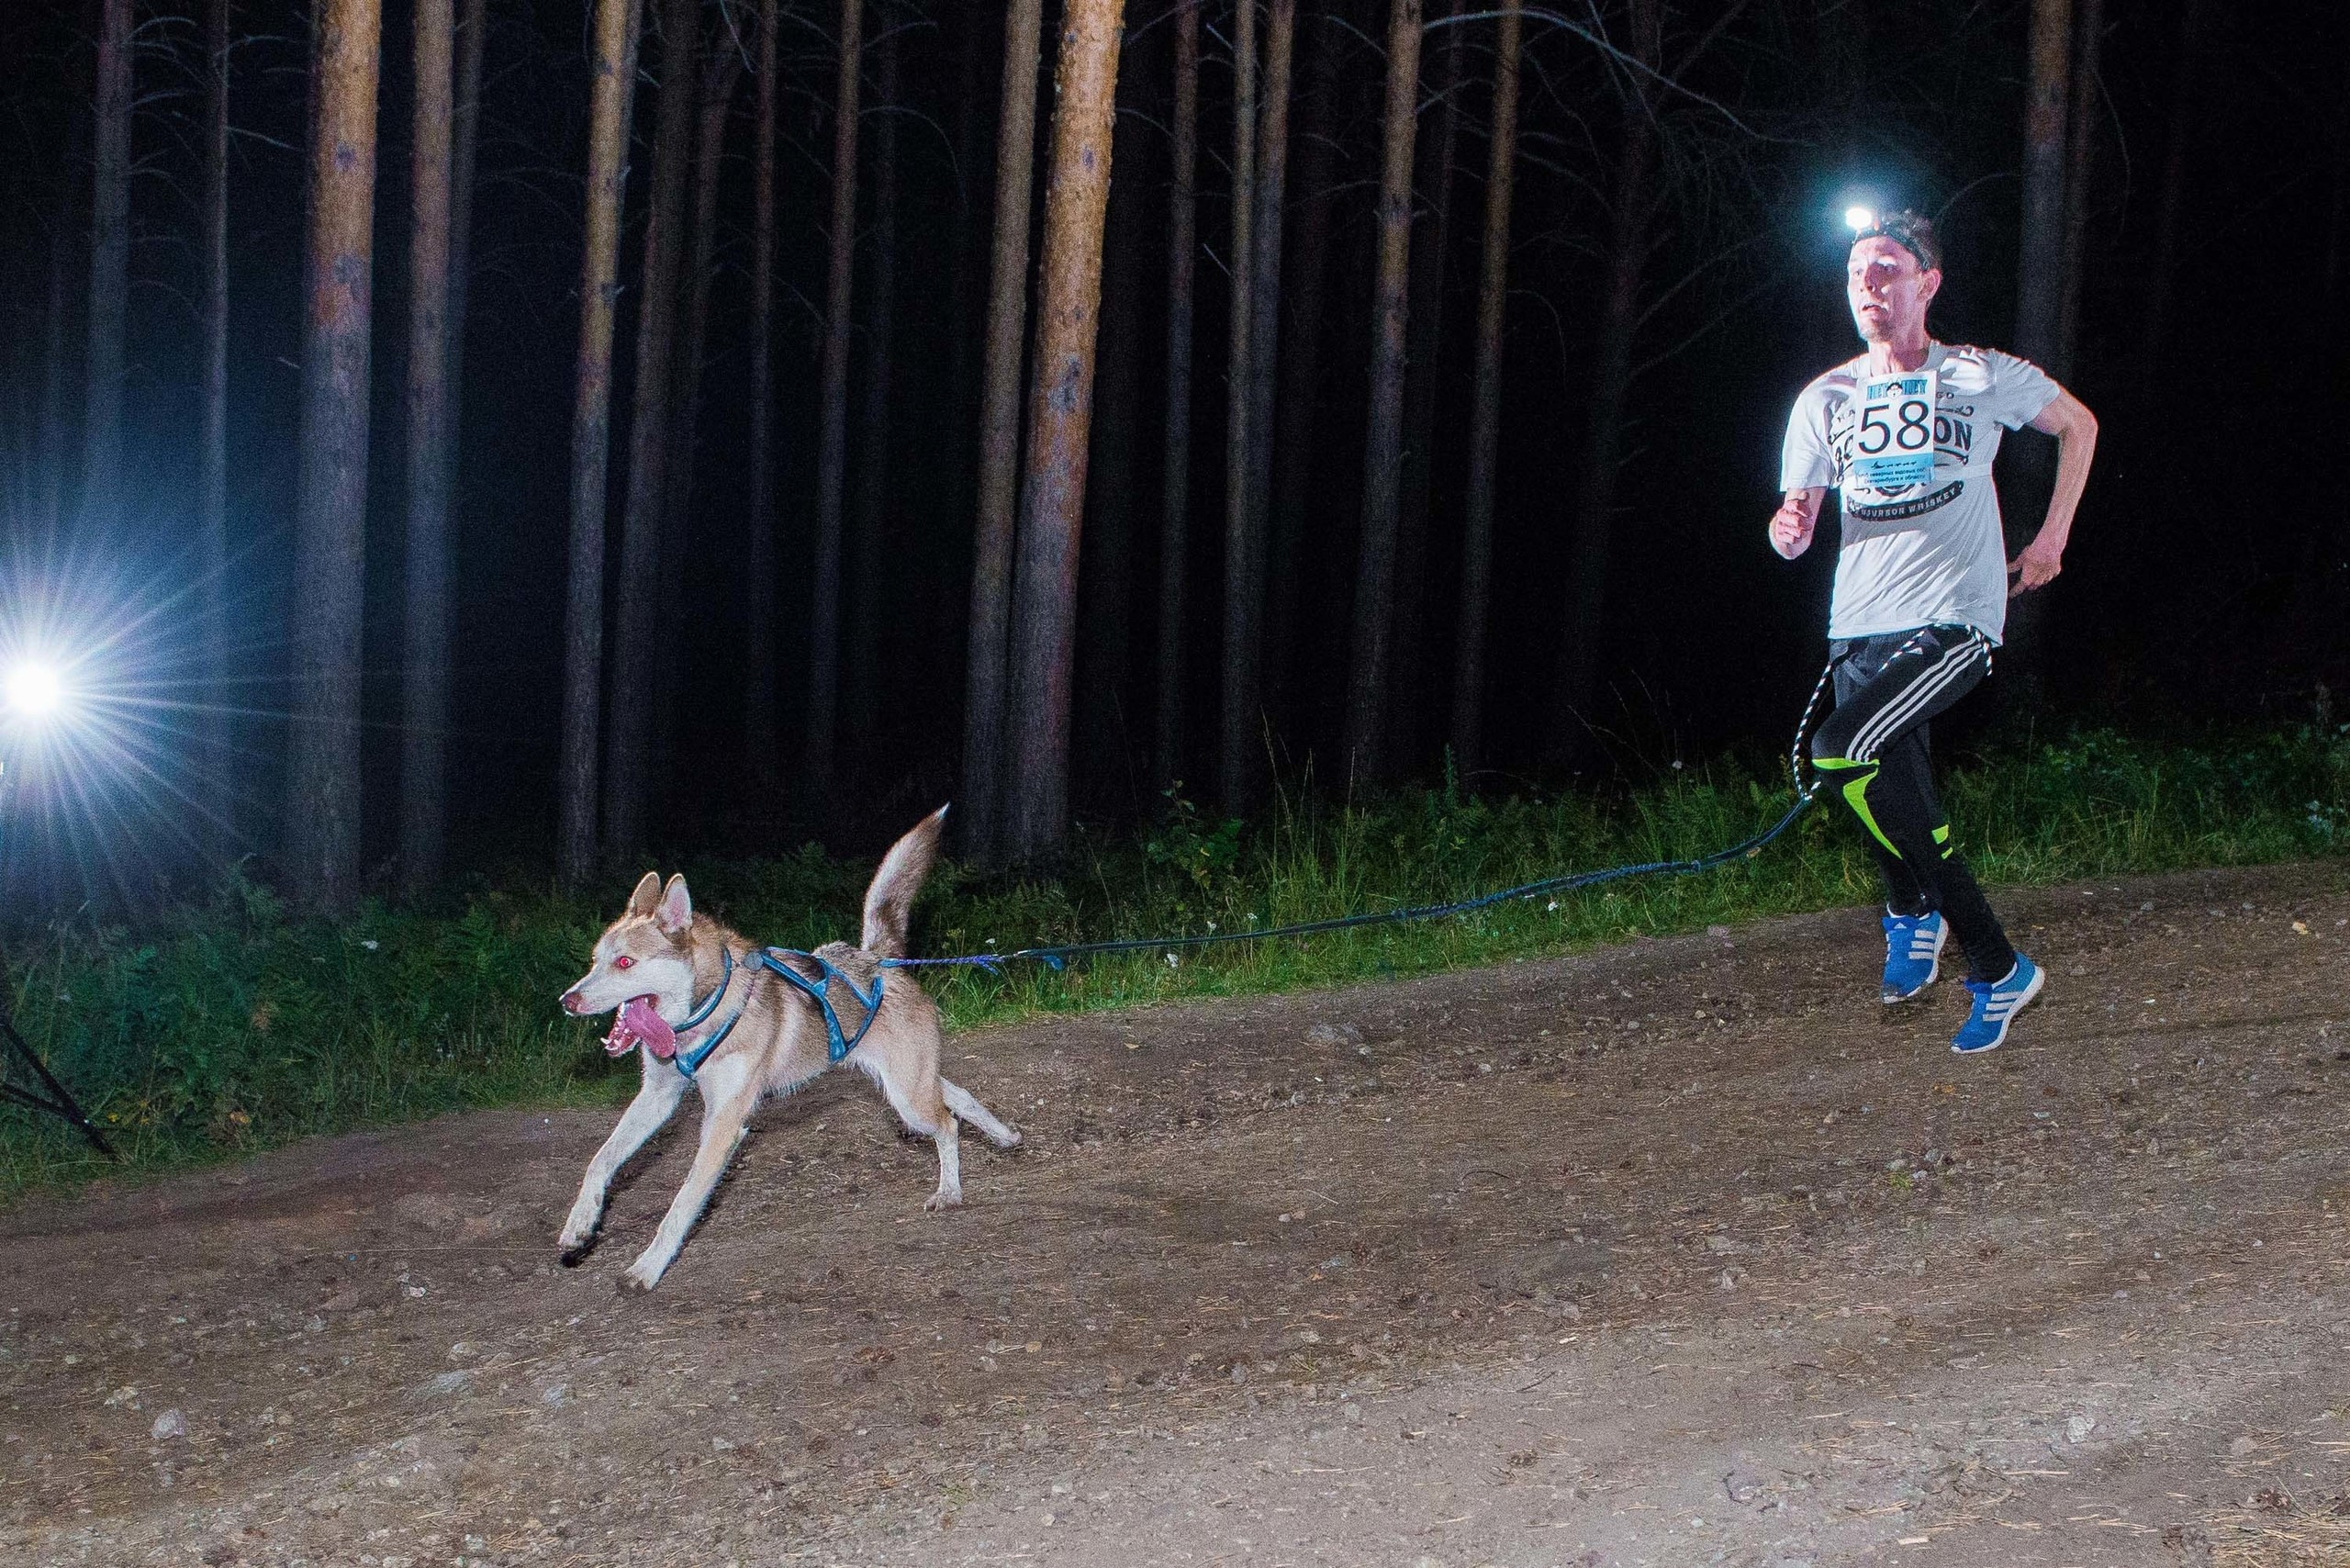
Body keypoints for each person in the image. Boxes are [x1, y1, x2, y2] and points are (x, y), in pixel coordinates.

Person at [1771, 208, 2098, 1053]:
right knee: (1886, 786)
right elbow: (1795, 511)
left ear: (1928, 282)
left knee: (1840, 749)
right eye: (1856, 275)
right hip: (1858, 624)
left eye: (1886, 270)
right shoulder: (1824, 397)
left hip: (1954, 617)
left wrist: (2053, 537)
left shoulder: (1979, 373)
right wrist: (1793, 524)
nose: (1869, 288)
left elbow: (2078, 427)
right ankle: (1939, 927)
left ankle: (1969, 945)